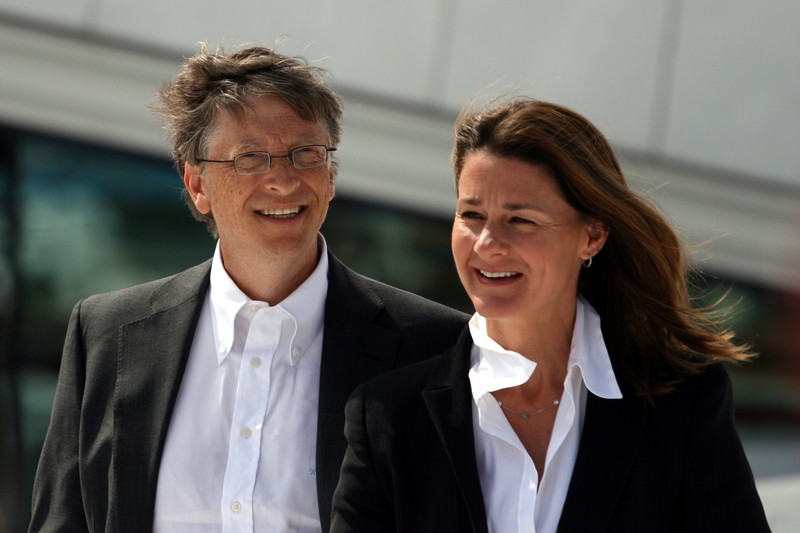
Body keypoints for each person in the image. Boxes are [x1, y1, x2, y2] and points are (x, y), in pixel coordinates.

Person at [28, 44, 468, 533]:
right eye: (250, 158)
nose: (283, 180)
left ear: (331, 175)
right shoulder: (107, 334)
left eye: (306, 153)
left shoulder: (434, 349)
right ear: (197, 185)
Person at [330, 98, 771, 532]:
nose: (486, 243)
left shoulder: (684, 401)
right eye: (471, 214)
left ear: (592, 235)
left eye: (520, 220)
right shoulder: (386, 415)